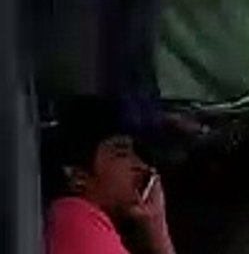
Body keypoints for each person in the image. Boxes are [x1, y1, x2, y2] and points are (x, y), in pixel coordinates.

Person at [42, 97, 176, 254]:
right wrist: (159, 234)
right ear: (80, 177)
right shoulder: (77, 219)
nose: (142, 167)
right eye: (121, 154)